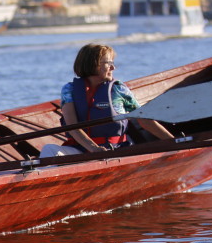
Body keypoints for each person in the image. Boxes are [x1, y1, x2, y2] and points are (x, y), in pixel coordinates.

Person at [40, 43, 173, 157]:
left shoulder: (119, 89)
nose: (113, 68)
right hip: (83, 150)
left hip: (117, 150)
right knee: (48, 149)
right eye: (108, 63)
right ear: (94, 64)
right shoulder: (69, 90)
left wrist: (174, 142)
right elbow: (73, 127)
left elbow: (145, 121)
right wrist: (94, 149)